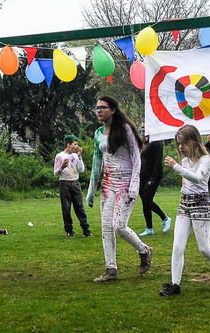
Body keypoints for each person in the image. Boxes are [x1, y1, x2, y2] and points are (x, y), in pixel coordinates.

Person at [160, 125, 210, 296]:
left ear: (193, 141)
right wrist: (180, 166)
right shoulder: (185, 161)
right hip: (184, 204)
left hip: (201, 205)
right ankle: (175, 284)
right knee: (177, 247)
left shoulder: (205, 160)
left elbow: (198, 178)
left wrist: (176, 167)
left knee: (204, 248)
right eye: (178, 144)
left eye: (183, 143)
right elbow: (187, 182)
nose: (180, 148)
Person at [86, 96, 153, 282]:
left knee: (119, 226)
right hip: (108, 185)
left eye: (103, 107)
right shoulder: (99, 133)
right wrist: (91, 190)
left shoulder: (125, 129)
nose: (99, 110)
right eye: (97, 107)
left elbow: (136, 157)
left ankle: (145, 250)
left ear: (113, 110)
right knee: (106, 227)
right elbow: (96, 162)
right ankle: (111, 269)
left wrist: (134, 185)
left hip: (126, 183)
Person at [54, 134, 92, 238]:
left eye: (77, 145)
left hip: (75, 183)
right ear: (68, 144)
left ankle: (86, 229)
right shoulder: (60, 156)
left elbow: (81, 170)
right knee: (66, 208)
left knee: (80, 207)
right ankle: (69, 230)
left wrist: (80, 157)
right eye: (75, 144)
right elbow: (55, 172)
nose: (76, 147)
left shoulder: (75, 156)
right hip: (64, 183)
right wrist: (62, 166)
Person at [138, 121, 172, 236]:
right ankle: (149, 228)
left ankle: (165, 218)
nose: (142, 128)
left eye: (145, 126)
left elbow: (158, 161)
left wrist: (153, 178)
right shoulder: (144, 142)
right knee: (144, 202)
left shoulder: (156, 141)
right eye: (142, 126)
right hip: (142, 175)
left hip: (153, 176)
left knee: (147, 200)